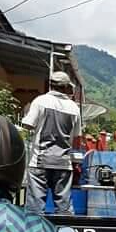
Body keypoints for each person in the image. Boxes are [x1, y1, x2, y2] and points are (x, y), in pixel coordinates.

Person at [22, 71, 82, 215]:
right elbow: (76, 137)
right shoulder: (74, 108)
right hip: (63, 163)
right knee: (64, 207)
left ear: (50, 84)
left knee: (35, 208)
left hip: (40, 161)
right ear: (66, 87)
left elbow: (28, 125)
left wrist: (26, 112)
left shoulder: (40, 101)